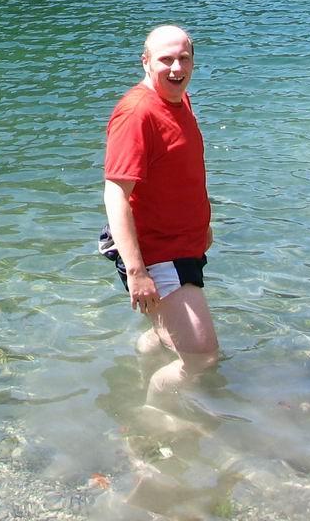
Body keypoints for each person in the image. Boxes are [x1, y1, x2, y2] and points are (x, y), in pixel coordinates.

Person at [100, 24, 218, 400]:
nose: (176, 67)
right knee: (202, 357)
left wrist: (205, 224)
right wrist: (137, 272)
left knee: (167, 337)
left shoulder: (180, 98)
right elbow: (115, 194)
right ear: (146, 61)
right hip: (157, 254)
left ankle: (140, 370)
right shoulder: (136, 114)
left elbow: (183, 170)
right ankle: (154, 417)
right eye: (166, 59)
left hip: (184, 246)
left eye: (184, 58)